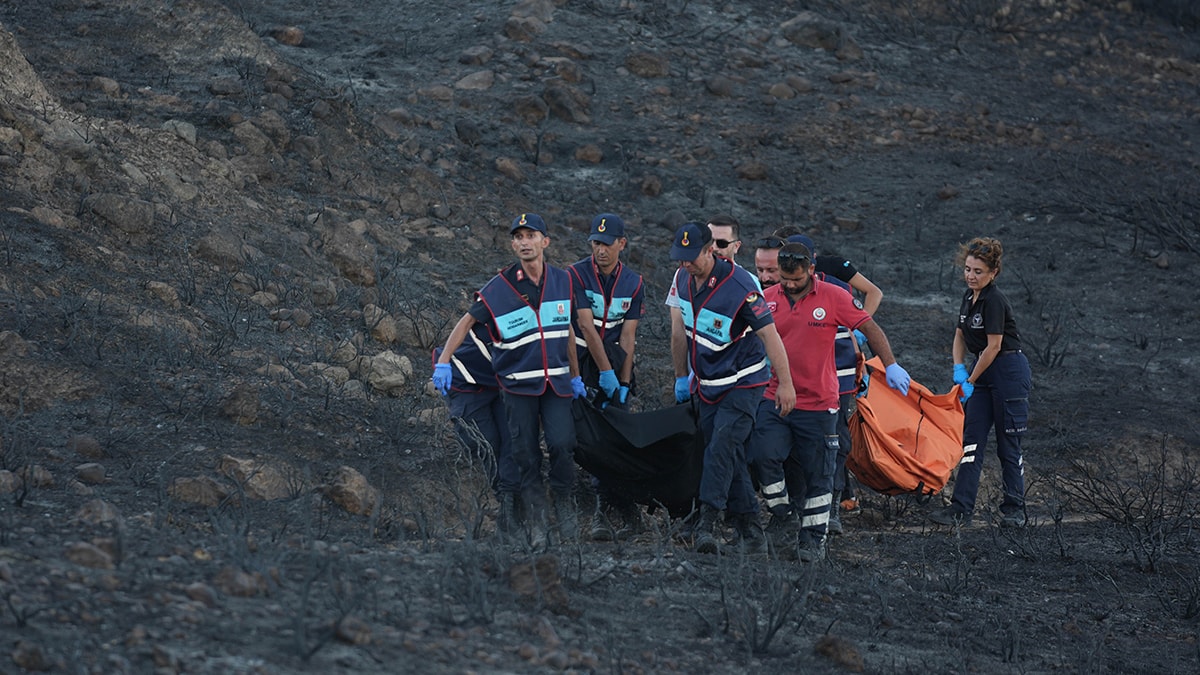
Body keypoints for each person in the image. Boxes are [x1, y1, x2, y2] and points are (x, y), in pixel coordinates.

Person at [433, 213, 587, 550]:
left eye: (531, 235)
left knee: (562, 444)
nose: (524, 242)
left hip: (556, 385)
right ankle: (536, 521)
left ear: (545, 242)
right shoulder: (498, 288)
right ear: (513, 245)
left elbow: (568, 330)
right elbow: (465, 323)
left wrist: (575, 376)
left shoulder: (563, 281)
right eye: (518, 237)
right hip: (518, 388)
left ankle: (562, 500)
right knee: (526, 454)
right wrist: (444, 362)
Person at [753, 242, 911, 561]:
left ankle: (813, 538)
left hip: (819, 402)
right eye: (783, 278)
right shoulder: (767, 299)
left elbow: (869, 327)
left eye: (796, 279)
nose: (789, 285)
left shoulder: (834, 296)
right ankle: (783, 514)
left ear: (811, 270)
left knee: (820, 473)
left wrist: (890, 363)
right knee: (763, 454)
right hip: (776, 398)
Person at [668, 222, 796, 555]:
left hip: (744, 381)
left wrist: (785, 383)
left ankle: (707, 521)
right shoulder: (683, 279)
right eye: (679, 258)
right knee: (730, 453)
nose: (685, 265)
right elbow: (680, 331)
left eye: (690, 257)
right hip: (708, 382)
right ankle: (750, 529)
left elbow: (770, 336)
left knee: (722, 447)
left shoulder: (741, 286)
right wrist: (683, 376)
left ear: (710, 250)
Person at [930, 237, 1031, 528]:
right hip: (982, 371)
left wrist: (971, 379)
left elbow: (994, 347)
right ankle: (961, 508)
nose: (971, 276)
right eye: (968, 269)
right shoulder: (968, 296)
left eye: (978, 271)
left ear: (993, 273)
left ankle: (1014, 509)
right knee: (971, 442)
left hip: (1007, 371)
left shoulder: (995, 301)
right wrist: (959, 368)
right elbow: (960, 334)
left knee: (1008, 445)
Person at [787, 232, 884, 532]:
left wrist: (856, 332)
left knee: (837, 436)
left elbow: (873, 294)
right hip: (802, 370)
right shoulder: (784, 280)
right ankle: (801, 504)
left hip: (840, 366)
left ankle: (833, 505)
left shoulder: (834, 271)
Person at [567, 213, 646, 540]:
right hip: (581, 359)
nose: (600, 250)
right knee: (586, 434)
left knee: (618, 432)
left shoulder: (634, 283)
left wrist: (623, 382)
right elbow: (584, 325)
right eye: (595, 243)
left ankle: (626, 506)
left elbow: (628, 337)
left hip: (613, 359)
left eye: (607, 243)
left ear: (621, 244)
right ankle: (599, 506)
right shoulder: (576, 273)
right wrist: (604, 373)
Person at [431, 322, 521, 535]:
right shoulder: (497, 296)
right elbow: (467, 320)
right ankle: (500, 494)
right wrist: (443, 362)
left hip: (502, 381)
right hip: (467, 377)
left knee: (512, 436)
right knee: (484, 442)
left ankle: (510, 499)